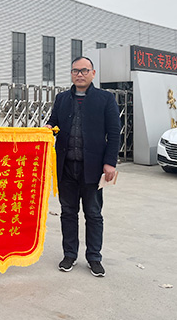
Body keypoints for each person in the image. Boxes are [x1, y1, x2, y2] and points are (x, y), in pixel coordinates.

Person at [45, 56, 120, 277]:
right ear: (71, 74)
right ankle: (69, 255)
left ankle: (94, 257)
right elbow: (53, 122)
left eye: (84, 70)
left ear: (93, 73)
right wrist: (47, 128)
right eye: (76, 71)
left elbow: (114, 133)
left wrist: (110, 163)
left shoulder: (105, 99)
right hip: (66, 168)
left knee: (94, 214)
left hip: (93, 169)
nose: (80, 74)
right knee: (68, 213)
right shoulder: (62, 99)